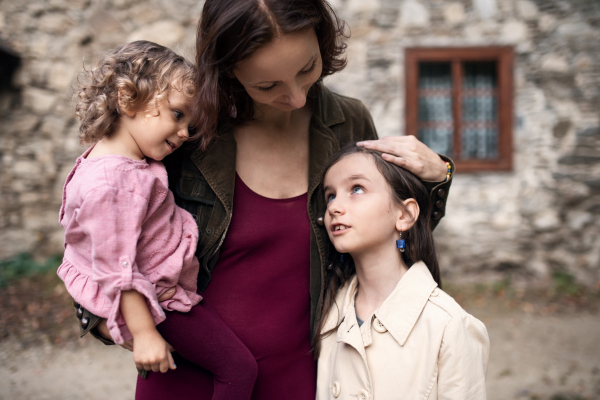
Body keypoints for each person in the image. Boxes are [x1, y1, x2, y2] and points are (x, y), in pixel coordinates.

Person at [73, 1, 455, 399]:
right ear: (228, 70)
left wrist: (438, 178)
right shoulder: (187, 128)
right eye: (268, 85)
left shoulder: (349, 123)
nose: (295, 97)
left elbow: (389, 237)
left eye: (307, 68)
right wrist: (106, 319)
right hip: (187, 377)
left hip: (305, 379)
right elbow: (98, 231)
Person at [58, 40, 257, 400]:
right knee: (239, 369)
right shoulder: (114, 184)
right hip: (159, 302)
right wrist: (145, 332)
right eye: (178, 115)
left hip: (160, 294)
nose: (185, 133)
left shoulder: (119, 163)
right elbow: (117, 267)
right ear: (127, 99)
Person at [315, 145, 489, 400]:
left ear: (405, 215)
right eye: (330, 195)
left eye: (356, 189)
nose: (334, 207)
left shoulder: (449, 326)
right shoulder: (331, 311)